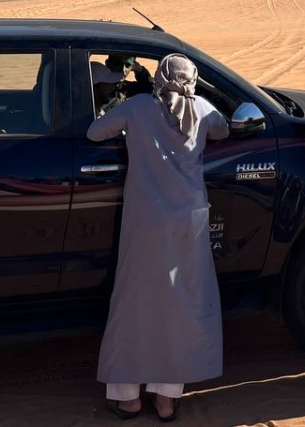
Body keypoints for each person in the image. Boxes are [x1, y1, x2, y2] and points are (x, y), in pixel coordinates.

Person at [87, 53, 229, 421]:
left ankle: (128, 397)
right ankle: (166, 400)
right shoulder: (202, 109)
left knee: (135, 302)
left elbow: (94, 132)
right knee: (180, 305)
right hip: (187, 223)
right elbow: (224, 130)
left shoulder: (137, 108)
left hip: (145, 222)